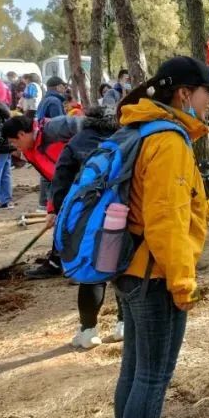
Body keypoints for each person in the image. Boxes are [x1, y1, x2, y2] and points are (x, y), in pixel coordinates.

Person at [105, 56, 209, 418]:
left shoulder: (144, 129)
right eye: (206, 93)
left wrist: (206, 208)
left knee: (135, 371)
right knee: (152, 376)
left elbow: (167, 204)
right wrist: (183, 284)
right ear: (184, 94)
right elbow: (165, 221)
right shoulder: (170, 142)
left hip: (130, 269)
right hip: (155, 276)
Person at [47, 106, 122, 348]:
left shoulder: (76, 143)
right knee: (120, 270)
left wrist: (62, 216)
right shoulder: (123, 140)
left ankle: (89, 330)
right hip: (119, 214)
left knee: (91, 275)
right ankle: (123, 324)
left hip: (86, 218)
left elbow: (61, 182)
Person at [2, 112, 84, 279]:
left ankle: (78, 267)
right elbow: (50, 179)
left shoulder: (53, 132)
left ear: (21, 134)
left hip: (86, 182)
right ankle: (57, 261)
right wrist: (51, 209)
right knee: (62, 221)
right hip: (66, 187)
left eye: (13, 142)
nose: (14, 147)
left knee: (78, 223)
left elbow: (86, 131)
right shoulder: (30, 152)